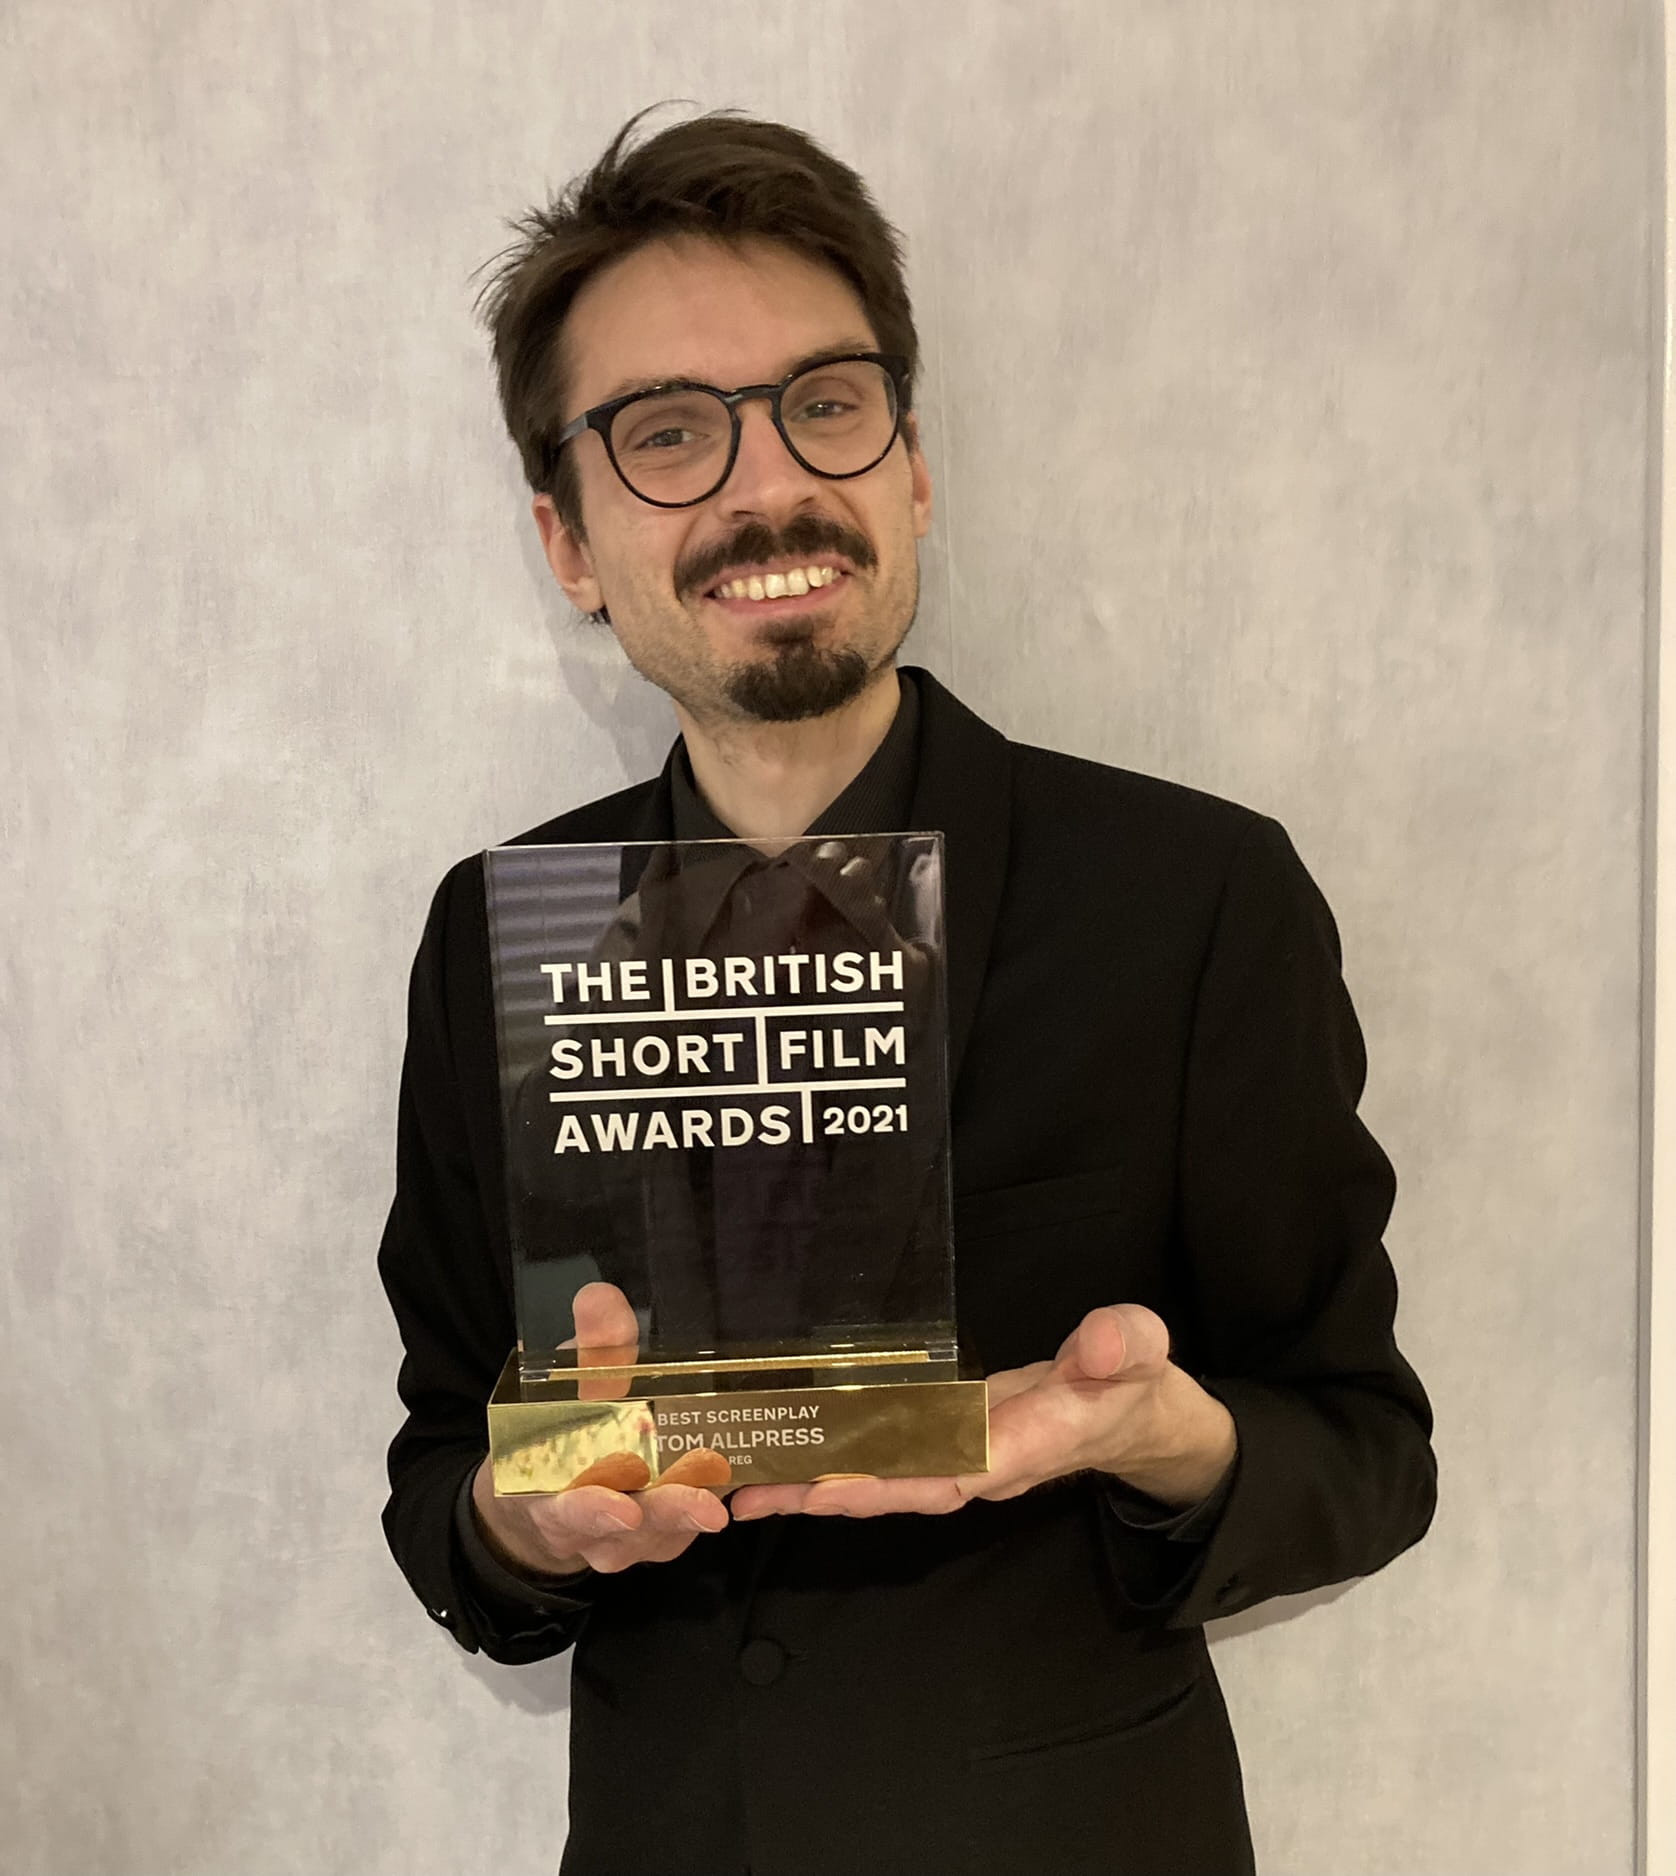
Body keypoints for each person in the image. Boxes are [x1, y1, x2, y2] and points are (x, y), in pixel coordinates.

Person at [377, 105, 1437, 1876]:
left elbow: (1365, 1448)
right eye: (664, 437)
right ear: (567, 541)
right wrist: (525, 1526)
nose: (766, 483)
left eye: (827, 401)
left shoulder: (1194, 902)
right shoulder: (501, 930)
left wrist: (1166, 1441)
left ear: (912, 464)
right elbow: (442, 1463)